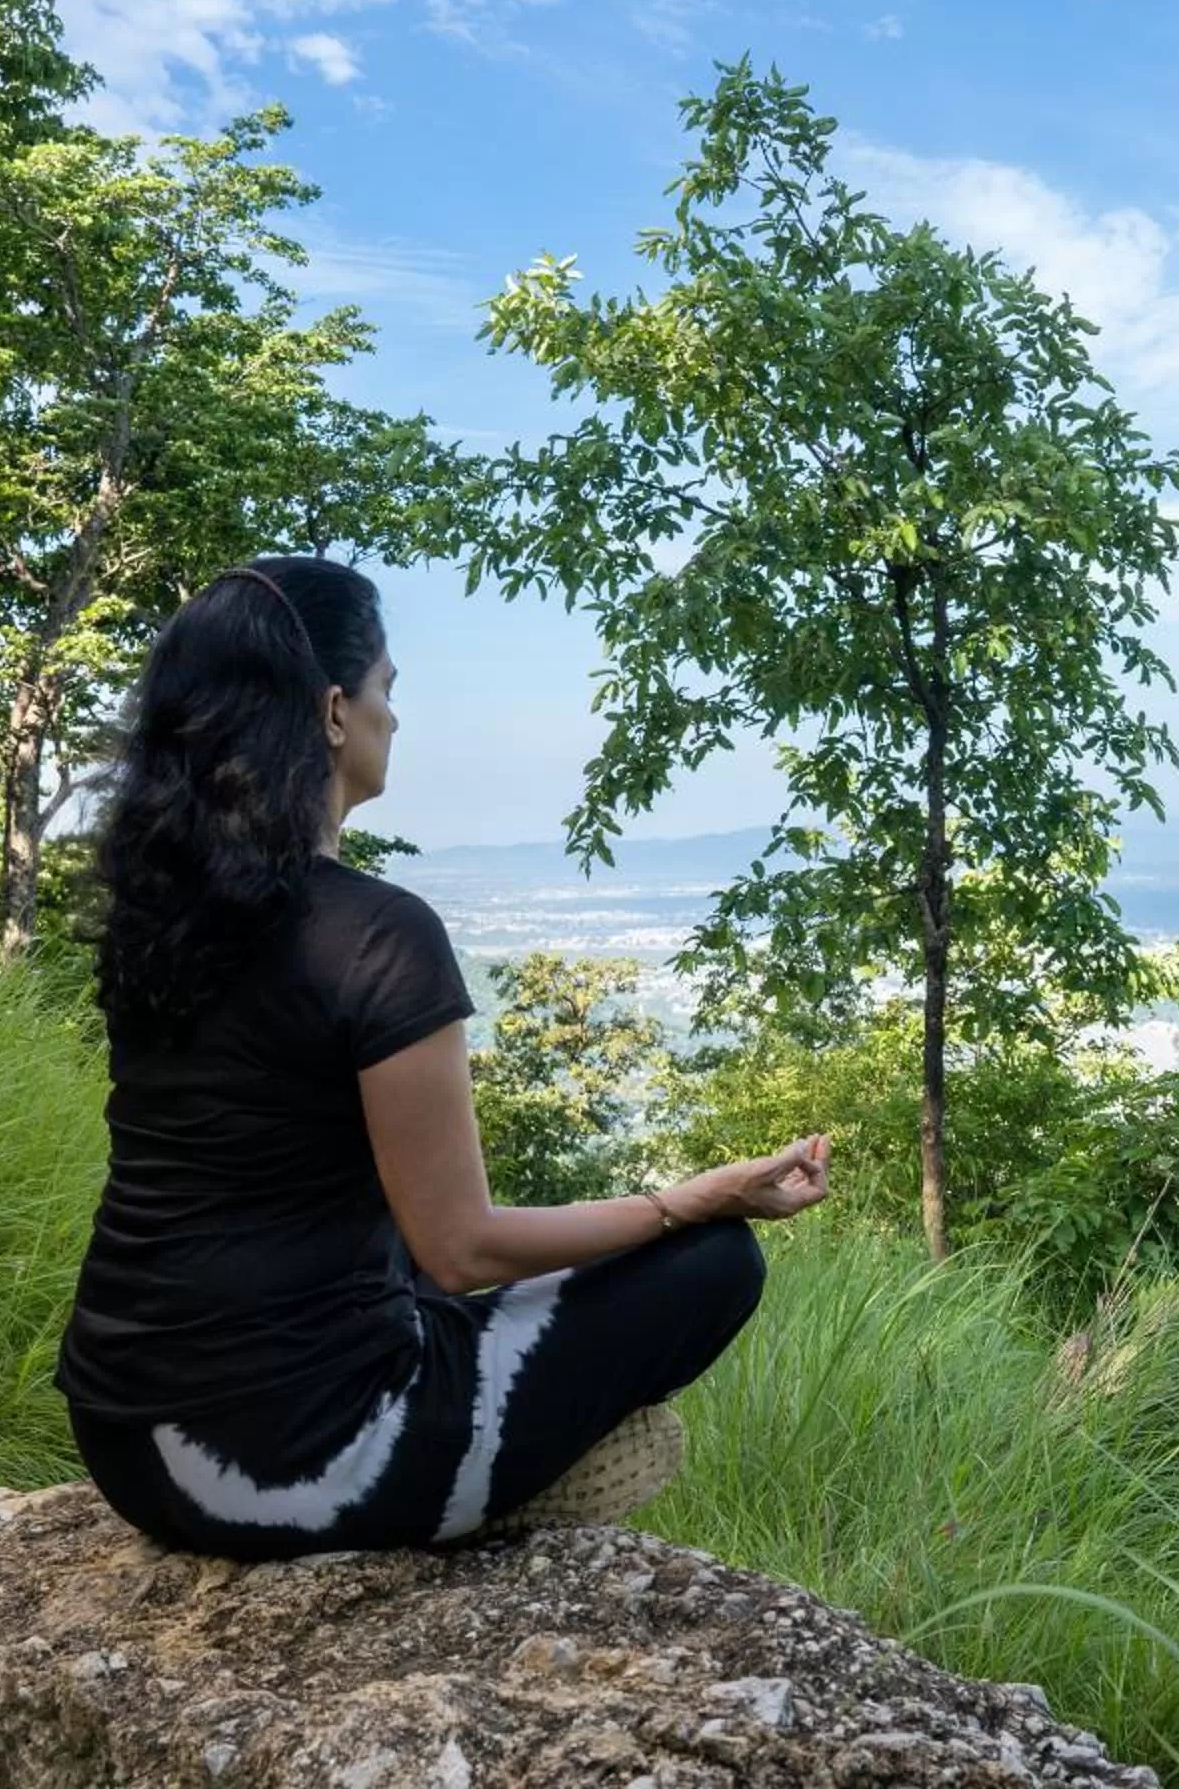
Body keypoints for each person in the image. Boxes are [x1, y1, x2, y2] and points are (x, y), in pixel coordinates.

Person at [54, 555, 831, 1558]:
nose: (395, 717)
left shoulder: (163, 915)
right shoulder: (379, 932)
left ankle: (478, 1450)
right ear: (334, 712)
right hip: (284, 1465)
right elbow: (458, 1244)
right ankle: (488, 1480)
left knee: (395, 1279)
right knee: (714, 1263)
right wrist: (691, 1200)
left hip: (125, 1443)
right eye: (387, 688)